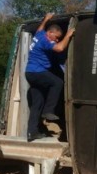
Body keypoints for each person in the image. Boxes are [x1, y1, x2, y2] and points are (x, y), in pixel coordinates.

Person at [25, 13, 75, 142]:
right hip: (37, 72)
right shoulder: (45, 40)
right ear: (50, 33)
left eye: (59, 38)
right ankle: (49, 111)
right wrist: (68, 36)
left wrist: (46, 19)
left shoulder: (40, 34)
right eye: (56, 37)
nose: (57, 40)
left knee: (37, 104)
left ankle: (32, 133)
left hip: (31, 73)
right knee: (57, 82)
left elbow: (40, 28)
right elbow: (60, 48)